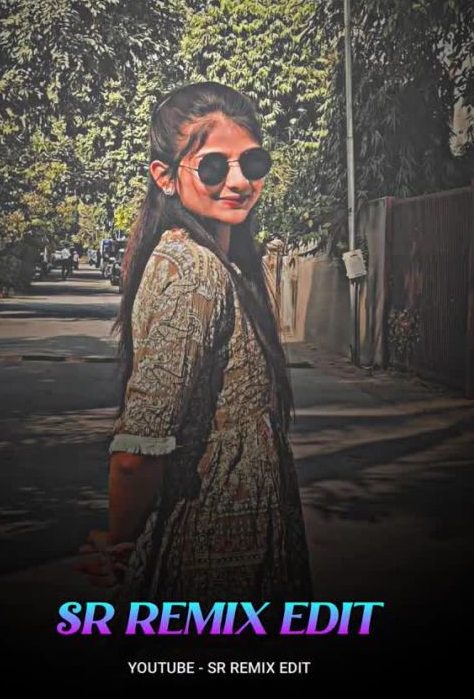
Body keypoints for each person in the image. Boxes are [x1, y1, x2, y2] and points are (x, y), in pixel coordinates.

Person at [76, 81, 313, 631]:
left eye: (252, 162)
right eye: (211, 167)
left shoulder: (228, 263)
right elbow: (139, 448)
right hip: (206, 569)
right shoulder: (191, 270)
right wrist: (118, 544)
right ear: (165, 177)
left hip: (250, 556)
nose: (239, 181)